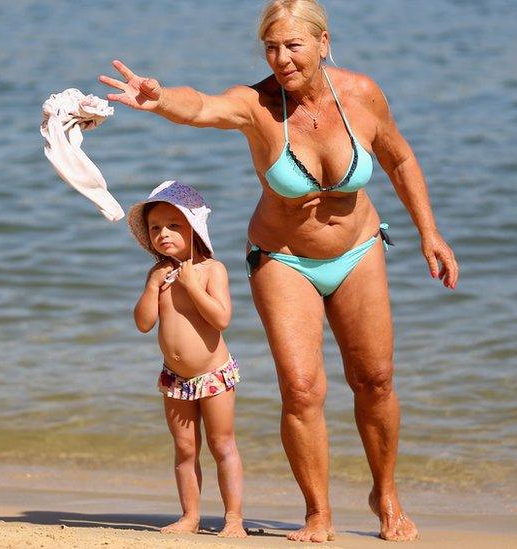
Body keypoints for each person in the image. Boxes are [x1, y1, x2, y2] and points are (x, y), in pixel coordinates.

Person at [101, 0, 459, 542]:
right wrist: (160, 99)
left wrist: (430, 232)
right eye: (272, 47)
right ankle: (318, 513)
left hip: (360, 248)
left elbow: (400, 159)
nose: (282, 58)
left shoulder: (362, 93)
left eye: (293, 45)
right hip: (282, 257)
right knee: (301, 389)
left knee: (376, 381)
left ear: (323, 42)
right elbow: (202, 107)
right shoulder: (258, 105)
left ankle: (385, 495)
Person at [129, 180, 246, 538]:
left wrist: (192, 285)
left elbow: (222, 318)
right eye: (155, 228)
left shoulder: (213, 271)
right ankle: (190, 516)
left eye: (173, 226)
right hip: (175, 378)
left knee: (222, 444)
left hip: (213, 375)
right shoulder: (158, 275)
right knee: (184, 449)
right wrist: (153, 287)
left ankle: (234, 520)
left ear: (194, 228)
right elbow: (144, 324)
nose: (163, 234)